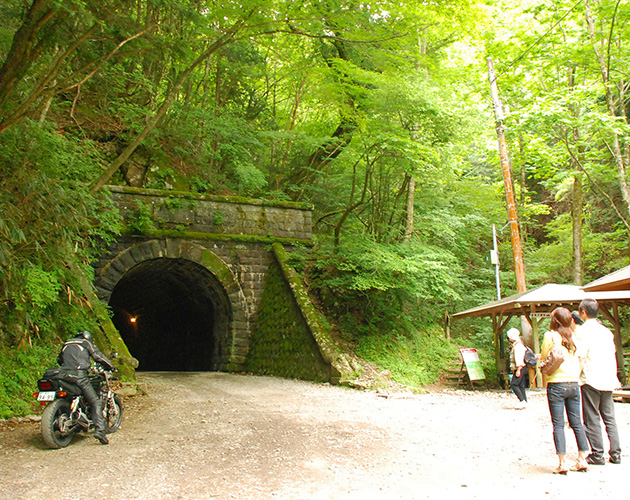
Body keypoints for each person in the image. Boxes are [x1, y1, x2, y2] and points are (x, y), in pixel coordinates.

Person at [541, 307, 590, 474]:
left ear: (555, 320)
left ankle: (562, 463)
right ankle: (582, 459)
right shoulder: (576, 336)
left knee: (558, 424)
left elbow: (545, 356)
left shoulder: (550, 336)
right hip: (573, 383)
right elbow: (581, 357)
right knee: (577, 423)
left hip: (556, 383)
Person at [577, 298, 622, 465]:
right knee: (609, 417)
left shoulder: (582, 332)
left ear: (583, 312)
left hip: (591, 378)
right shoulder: (606, 332)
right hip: (608, 377)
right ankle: (616, 453)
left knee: (592, 417)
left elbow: (581, 356)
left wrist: (576, 376)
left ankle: (597, 454)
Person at [57, 330, 114, 445]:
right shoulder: (85, 343)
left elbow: (59, 360)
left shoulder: (66, 344)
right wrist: (110, 366)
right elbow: (98, 356)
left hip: (63, 375)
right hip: (79, 376)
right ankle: (100, 431)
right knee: (95, 402)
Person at [507, 328, 528, 409]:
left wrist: (518, 369)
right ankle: (524, 401)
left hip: (520, 367)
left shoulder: (518, 345)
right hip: (522, 367)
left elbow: (519, 358)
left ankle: (522, 400)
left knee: (514, 384)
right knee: (521, 385)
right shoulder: (518, 344)